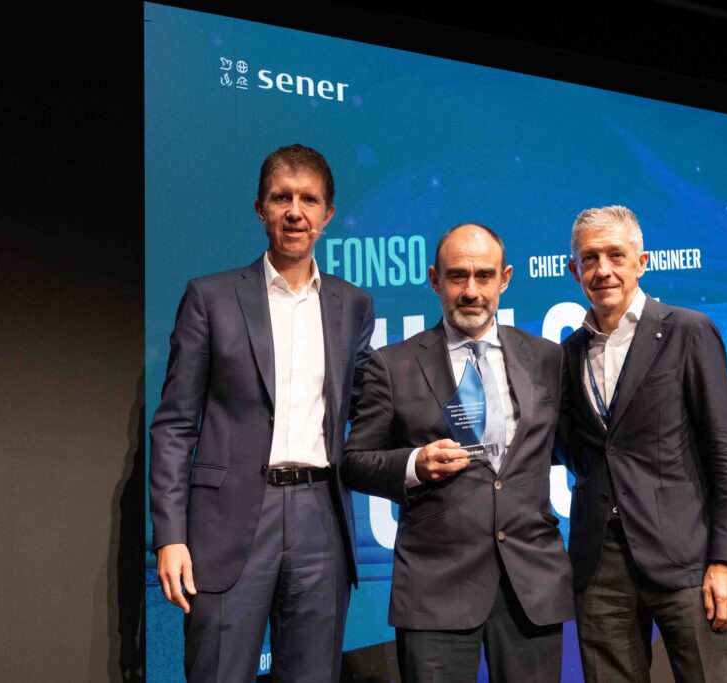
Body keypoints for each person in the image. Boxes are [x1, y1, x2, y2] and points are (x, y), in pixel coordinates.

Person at [149, 144, 375, 682]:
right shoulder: (210, 298)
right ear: (260, 209)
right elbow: (175, 426)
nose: (295, 212)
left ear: (327, 214)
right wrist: (170, 536)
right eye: (281, 198)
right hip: (227, 523)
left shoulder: (353, 304)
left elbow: (371, 404)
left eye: (309, 200)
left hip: (321, 519)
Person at [342, 223, 574, 682]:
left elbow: (564, 447)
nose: (471, 291)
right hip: (436, 588)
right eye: (457, 276)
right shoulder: (393, 364)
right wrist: (414, 464)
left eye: (484, 276)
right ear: (434, 280)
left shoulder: (548, 358)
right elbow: (355, 462)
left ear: (505, 278)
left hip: (530, 584)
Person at [558, 205, 727, 682]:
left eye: (616, 255)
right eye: (590, 258)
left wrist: (725, 561)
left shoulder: (687, 331)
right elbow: (574, 451)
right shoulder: (566, 354)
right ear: (574, 271)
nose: (603, 269)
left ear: (641, 262)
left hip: (686, 559)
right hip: (599, 565)